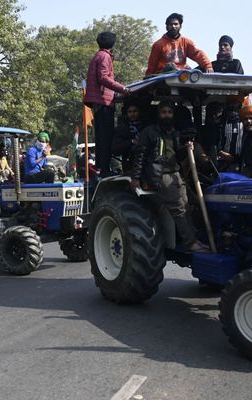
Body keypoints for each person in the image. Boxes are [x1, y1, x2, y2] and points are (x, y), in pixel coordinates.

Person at [130, 100, 209, 252]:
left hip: (175, 173)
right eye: (163, 112)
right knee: (179, 208)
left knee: (187, 206)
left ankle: (196, 238)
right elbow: (140, 155)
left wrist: (186, 147)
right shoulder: (149, 132)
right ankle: (190, 242)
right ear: (158, 114)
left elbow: (178, 156)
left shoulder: (174, 133)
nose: (166, 115)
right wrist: (135, 177)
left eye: (169, 112)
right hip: (160, 175)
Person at [84, 31, 129, 177]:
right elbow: (103, 78)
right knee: (105, 137)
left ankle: (103, 167)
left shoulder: (99, 55)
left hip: (101, 100)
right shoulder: (104, 56)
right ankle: (104, 169)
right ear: (113, 43)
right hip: (102, 101)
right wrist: (122, 89)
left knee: (103, 136)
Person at [146, 13, 213, 76]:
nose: (173, 26)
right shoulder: (158, 44)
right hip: (164, 76)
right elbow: (152, 65)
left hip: (181, 75)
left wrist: (207, 65)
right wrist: (148, 79)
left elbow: (197, 54)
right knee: (170, 67)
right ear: (166, 27)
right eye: (170, 24)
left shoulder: (186, 42)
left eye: (176, 24)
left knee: (194, 72)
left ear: (180, 26)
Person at [111, 104, 144, 172]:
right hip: (130, 163)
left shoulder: (146, 127)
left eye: (135, 111)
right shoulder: (122, 129)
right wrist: (131, 142)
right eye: (130, 112)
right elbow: (115, 149)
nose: (132, 114)